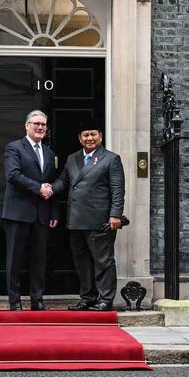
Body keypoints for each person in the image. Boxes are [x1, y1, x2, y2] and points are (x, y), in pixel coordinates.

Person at [50, 122, 125, 312]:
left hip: (99, 220)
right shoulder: (73, 158)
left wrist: (115, 214)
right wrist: (49, 188)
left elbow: (117, 189)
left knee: (103, 261)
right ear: (79, 138)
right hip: (76, 219)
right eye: (85, 135)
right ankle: (87, 297)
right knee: (81, 262)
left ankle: (105, 299)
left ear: (100, 136)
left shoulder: (111, 159)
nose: (89, 138)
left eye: (93, 134)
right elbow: (63, 181)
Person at [1, 110, 58, 311]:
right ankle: (14, 301)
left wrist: (53, 213)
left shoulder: (50, 153)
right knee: (15, 259)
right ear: (27, 126)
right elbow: (13, 175)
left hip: (42, 215)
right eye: (36, 124)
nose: (41, 127)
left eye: (43, 124)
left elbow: (51, 184)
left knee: (39, 259)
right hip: (17, 213)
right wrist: (37, 188)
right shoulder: (14, 148)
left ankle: (37, 299)